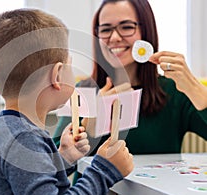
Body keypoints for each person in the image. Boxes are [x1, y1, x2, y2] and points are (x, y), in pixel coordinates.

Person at [0, 8, 134, 195]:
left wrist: (64, 159)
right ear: (57, 75)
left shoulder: (6, 128)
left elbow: (28, 182)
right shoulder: (24, 138)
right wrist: (105, 170)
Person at [53, 0, 207, 184]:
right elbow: (54, 165)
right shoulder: (83, 91)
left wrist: (194, 87)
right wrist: (91, 120)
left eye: (126, 27)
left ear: (146, 31)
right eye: (105, 29)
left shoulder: (174, 91)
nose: (115, 37)